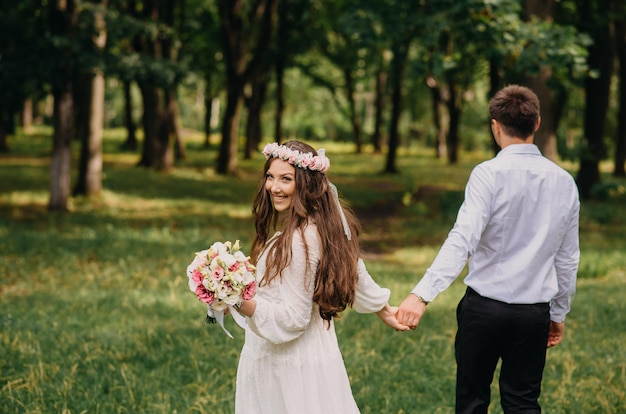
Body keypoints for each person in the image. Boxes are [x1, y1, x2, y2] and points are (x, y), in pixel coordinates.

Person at [396, 85, 580, 413]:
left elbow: (462, 238)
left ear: (495, 125)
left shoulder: (487, 174)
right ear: (537, 123)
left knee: (472, 400)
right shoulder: (564, 181)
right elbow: (567, 258)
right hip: (533, 313)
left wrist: (421, 295)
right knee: (523, 402)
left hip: (483, 311)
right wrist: (558, 313)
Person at [234, 140, 409, 413]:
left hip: (287, 366)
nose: (274, 187)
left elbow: (294, 318)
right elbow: (354, 268)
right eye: (270, 177)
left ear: (305, 184)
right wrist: (382, 308)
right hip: (315, 356)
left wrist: (234, 300)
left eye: (286, 179)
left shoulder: (298, 242)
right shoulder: (325, 227)